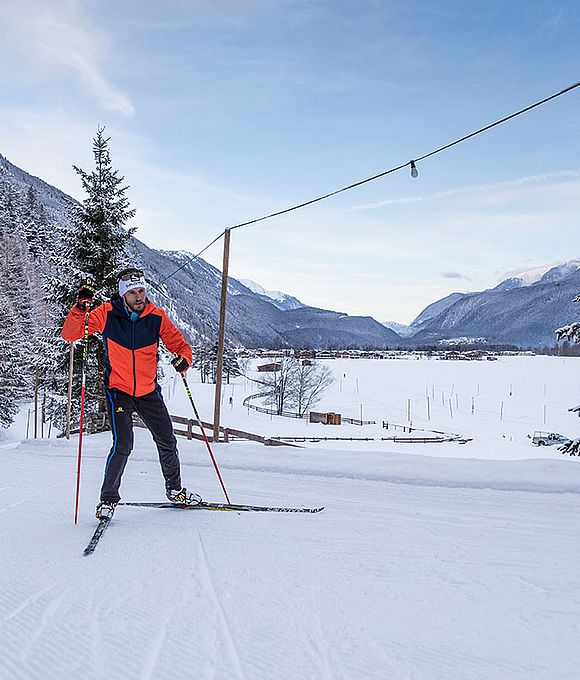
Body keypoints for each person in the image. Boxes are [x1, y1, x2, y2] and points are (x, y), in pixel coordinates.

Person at [62, 267, 201, 519]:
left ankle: (175, 490)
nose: (139, 297)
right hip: (119, 391)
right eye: (133, 292)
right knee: (124, 444)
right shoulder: (106, 314)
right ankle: (108, 500)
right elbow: (71, 333)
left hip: (148, 391)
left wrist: (184, 359)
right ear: (123, 295)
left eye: (141, 291)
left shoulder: (156, 317)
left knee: (167, 440)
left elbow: (180, 345)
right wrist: (81, 308)